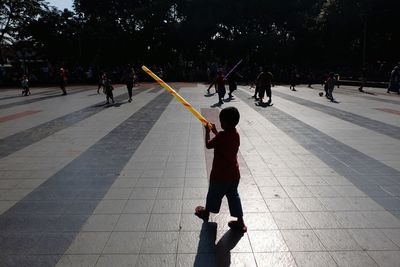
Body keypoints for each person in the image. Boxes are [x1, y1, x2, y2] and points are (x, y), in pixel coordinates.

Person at [195, 107, 247, 232]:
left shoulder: (222, 136)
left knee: (213, 194)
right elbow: (223, 141)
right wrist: (216, 131)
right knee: (234, 197)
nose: (220, 123)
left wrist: (207, 131)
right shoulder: (235, 134)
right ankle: (240, 222)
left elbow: (208, 145)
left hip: (220, 175)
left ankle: (206, 213)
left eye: (221, 121)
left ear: (226, 122)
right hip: (234, 175)